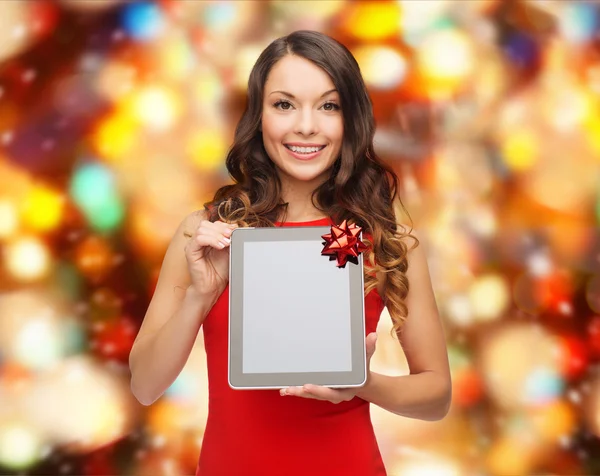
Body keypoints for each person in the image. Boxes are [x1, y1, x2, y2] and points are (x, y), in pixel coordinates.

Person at [129, 30, 451, 476]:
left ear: (350, 120)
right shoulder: (208, 233)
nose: (306, 126)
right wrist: (200, 297)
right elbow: (144, 385)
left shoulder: (380, 241)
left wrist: (364, 384)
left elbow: (436, 396)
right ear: (258, 117)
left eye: (328, 105)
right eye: (284, 104)